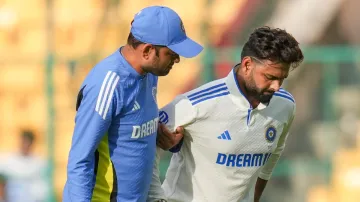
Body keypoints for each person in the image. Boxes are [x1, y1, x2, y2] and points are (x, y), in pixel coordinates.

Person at [62, 5, 203, 202]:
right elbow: (80, 159)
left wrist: (161, 138)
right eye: (171, 54)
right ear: (147, 51)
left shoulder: (149, 74)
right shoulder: (108, 84)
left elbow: (129, 133)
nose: (177, 59)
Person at [148, 26, 304, 202]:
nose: (276, 87)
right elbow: (144, 142)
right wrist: (155, 197)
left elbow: (273, 156)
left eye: (281, 79)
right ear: (247, 65)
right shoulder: (195, 103)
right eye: (269, 77)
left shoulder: (285, 105)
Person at [0, 130, 49, 202]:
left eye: (28, 142)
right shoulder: (7, 160)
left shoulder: (39, 163)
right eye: (24, 142)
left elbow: (42, 188)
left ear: (32, 143)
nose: (25, 145)